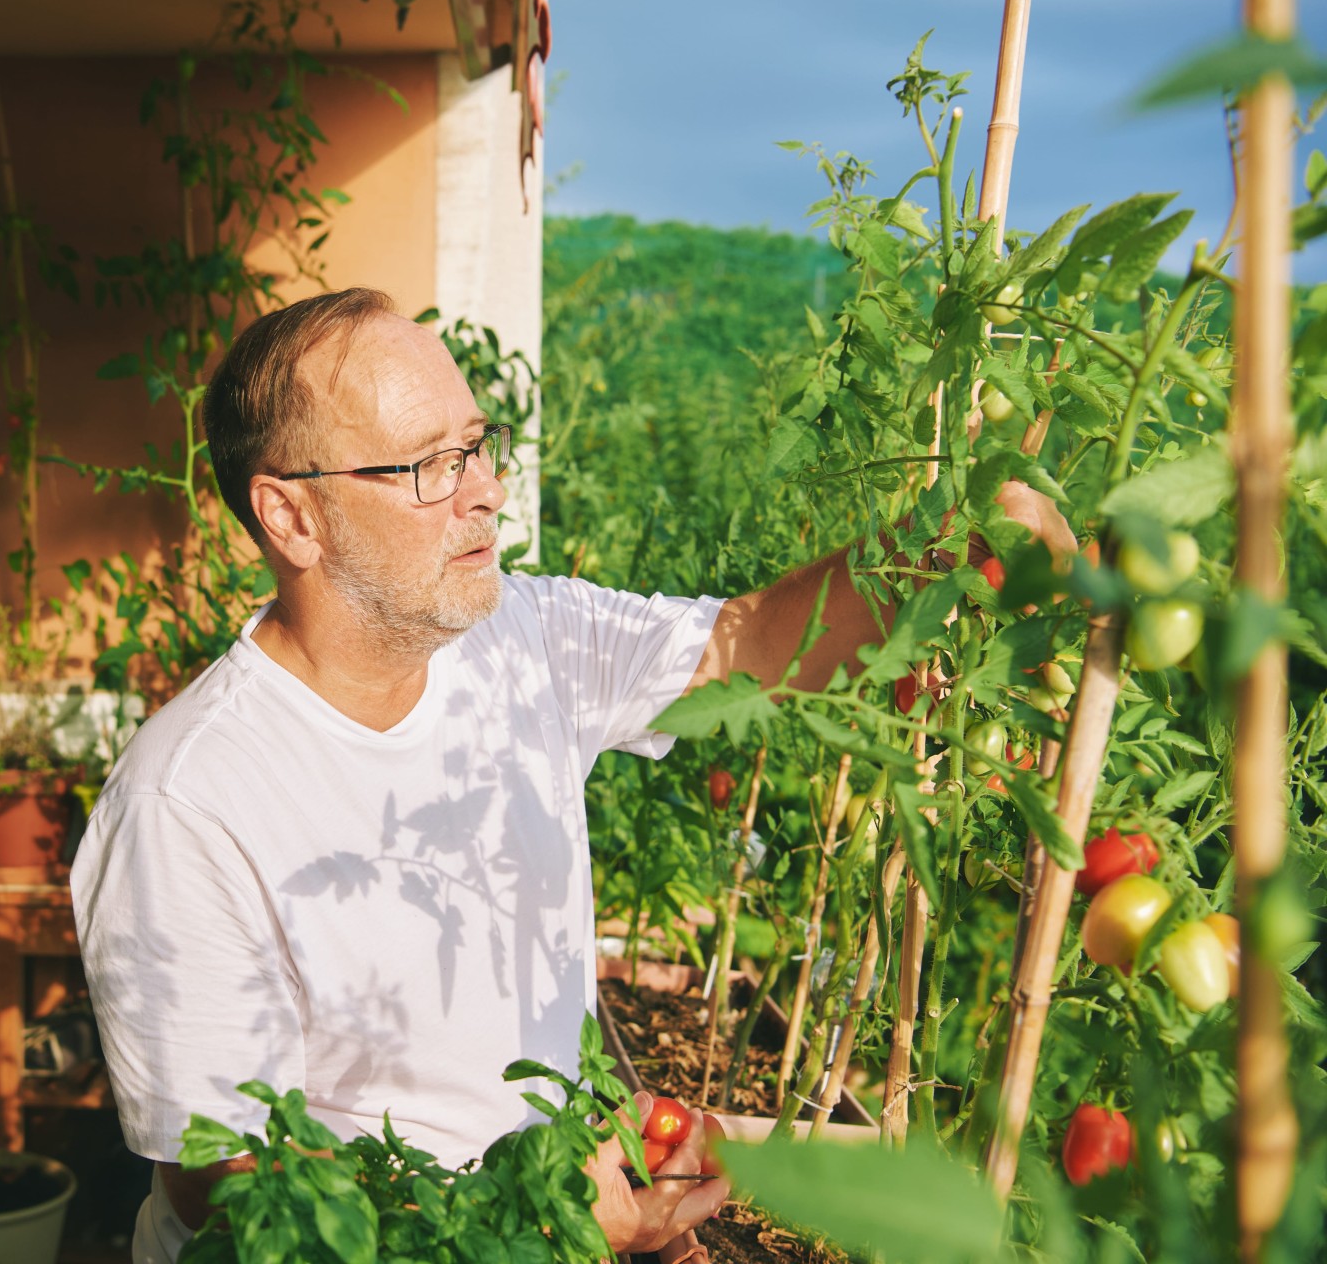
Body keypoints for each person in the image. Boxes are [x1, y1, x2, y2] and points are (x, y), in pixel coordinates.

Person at [70, 287, 1069, 1264]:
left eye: (477, 444)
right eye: (428, 464)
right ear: (293, 517)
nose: (485, 490)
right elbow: (236, 1188)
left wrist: (944, 539)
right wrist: (540, 1211)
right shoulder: (188, 801)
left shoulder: (522, 638)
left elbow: (757, 642)